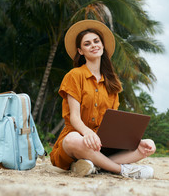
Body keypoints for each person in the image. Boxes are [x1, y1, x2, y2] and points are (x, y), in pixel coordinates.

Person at [49, 20, 156, 179]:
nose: (93, 45)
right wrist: (86, 133)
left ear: (103, 45)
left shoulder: (112, 83)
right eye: (87, 44)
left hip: (101, 145)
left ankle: (93, 165)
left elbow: (113, 124)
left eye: (96, 41)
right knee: (74, 139)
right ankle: (122, 170)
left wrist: (135, 141)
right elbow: (74, 117)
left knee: (147, 146)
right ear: (80, 51)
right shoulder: (74, 75)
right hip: (76, 142)